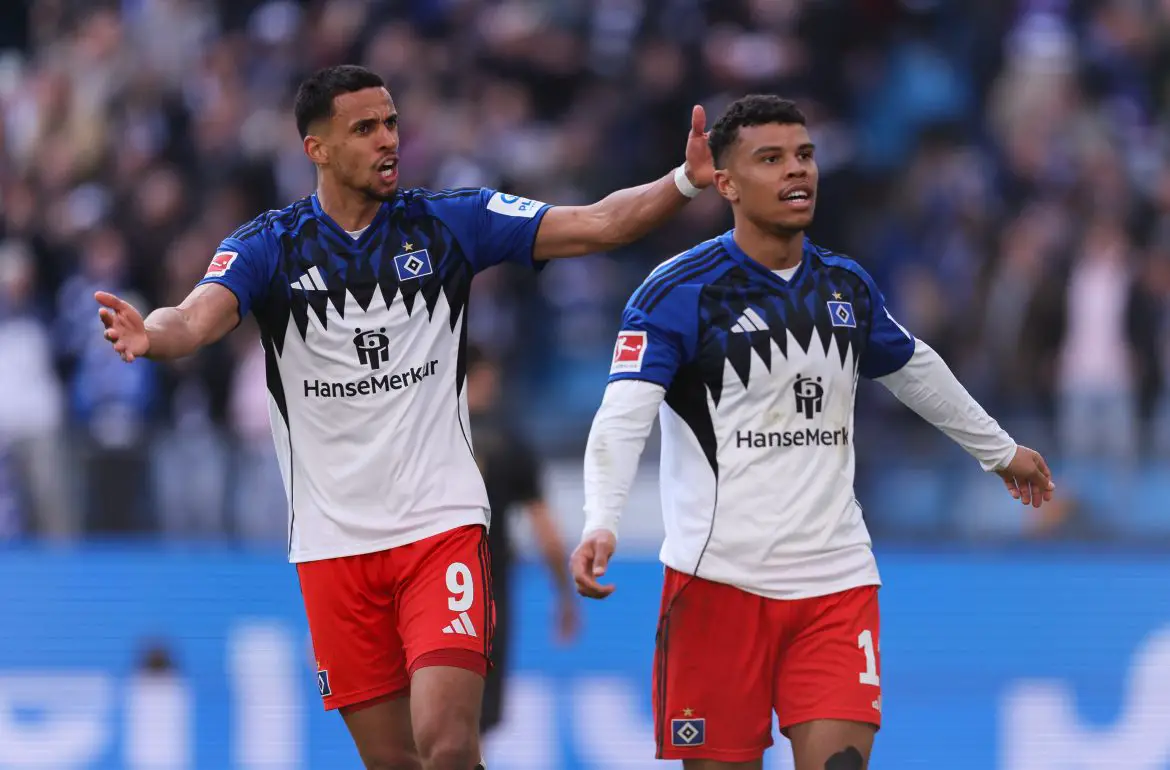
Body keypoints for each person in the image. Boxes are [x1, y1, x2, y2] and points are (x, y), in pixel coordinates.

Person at [95, 64, 715, 770]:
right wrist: (154, 335)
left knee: (448, 744)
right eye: (365, 128)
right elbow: (198, 314)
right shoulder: (270, 245)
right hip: (333, 547)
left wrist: (686, 181)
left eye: (391, 123)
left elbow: (599, 223)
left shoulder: (451, 223)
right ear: (317, 149)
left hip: (438, 528)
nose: (388, 140)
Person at [570, 94, 1055, 770]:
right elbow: (623, 416)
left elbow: (914, 368)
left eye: (804, 155)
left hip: (835, 581)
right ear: (727, 182)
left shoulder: (844, 285)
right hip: (716, 586)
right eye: (770, 159)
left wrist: (998, 451)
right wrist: (602, 519)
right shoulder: (677, 292)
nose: (797, 172)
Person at [464, 344, 579, 739]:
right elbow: (545, 529)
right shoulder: (511, 442)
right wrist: (565, 596)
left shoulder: (421, 437)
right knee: (474, 724)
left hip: (420, 591)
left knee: (420, 720)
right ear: (482, 376)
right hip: (486, 591)